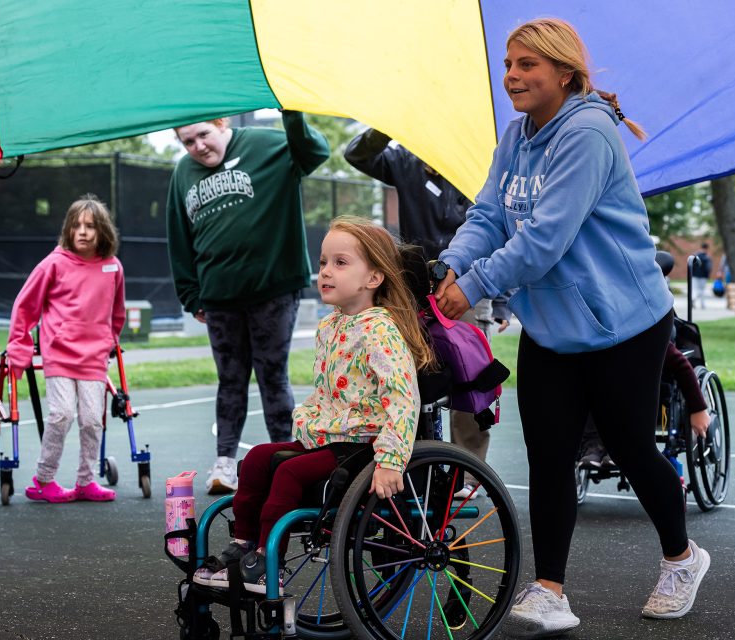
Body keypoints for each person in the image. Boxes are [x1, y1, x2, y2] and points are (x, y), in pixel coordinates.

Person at [434, 18, 710, 636]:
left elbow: (547, 238)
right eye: (509, 64)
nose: (512, 76)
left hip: (625, 323)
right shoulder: (516, 135)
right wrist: (451, 263)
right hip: (553, 327)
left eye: (527, 64)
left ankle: (682, 558)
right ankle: (550, 590)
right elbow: (488, 213)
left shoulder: (587, 131)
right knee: (550, 456)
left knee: (633, 448)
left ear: (564, 72)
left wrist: (474, 286)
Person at [191, 217, 433, 593]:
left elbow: (404, 398)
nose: (325, 272)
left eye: (340, 263)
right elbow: (325, 393)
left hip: (362, 445)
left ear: (373, 278)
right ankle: (242, 547)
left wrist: (391, 461)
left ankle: (268, 563)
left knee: (289, 474)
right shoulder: (329, 326)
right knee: (256, 458)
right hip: (328, 436)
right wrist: (307, 422)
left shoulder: (380, 329)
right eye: (323, 263)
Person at [166, 111, 330, 495]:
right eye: (187, 142)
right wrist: (191, 294)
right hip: (219, 296)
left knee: (273, 376)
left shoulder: (269, 145)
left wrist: (292, 114)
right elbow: (178, 235)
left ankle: (287, 462)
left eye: (203, 135)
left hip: (272, 289)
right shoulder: (183, 174)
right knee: (231, 381)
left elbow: (314, 152)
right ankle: (224, 464)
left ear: (222, 124)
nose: (198, 146)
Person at [344, 128, 511, 499]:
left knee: (469, 376)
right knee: (407, 375)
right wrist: (387, 124)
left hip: (467, 287)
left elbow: (497, 232)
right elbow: (357, 156)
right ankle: (413, 460)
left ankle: (469, 472)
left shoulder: (475, 169)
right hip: (412, 286)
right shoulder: (403, 161)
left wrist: (500, 300)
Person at [7, 195, 125, 504]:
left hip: (94, 357)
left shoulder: (113, 267)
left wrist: (108, 339)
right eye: (77, 226)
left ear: (103, 231)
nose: (83, 232)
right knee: (60, 415)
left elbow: (117, 312)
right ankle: (43, 480)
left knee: (91, 420)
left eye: (90, 226)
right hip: (59, 352)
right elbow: (25, 306)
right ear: (68, 230)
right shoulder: (54, 263)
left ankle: (86, 481)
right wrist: (19, 348)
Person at [580, 340, 711, 468]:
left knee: (627, 372)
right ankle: (594, 445)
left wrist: (698, 408)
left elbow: (679, 363)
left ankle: (621, 444)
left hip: (641, 372)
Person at [691, 243, 713, 309]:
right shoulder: (707, 257)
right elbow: (708, 268)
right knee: (701, 290)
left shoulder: (695, 256)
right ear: (706, 249)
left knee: (695, 289)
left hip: (694, 275)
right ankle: (702, 304)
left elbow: (691, 265)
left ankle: (693, 299)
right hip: (703, 276)